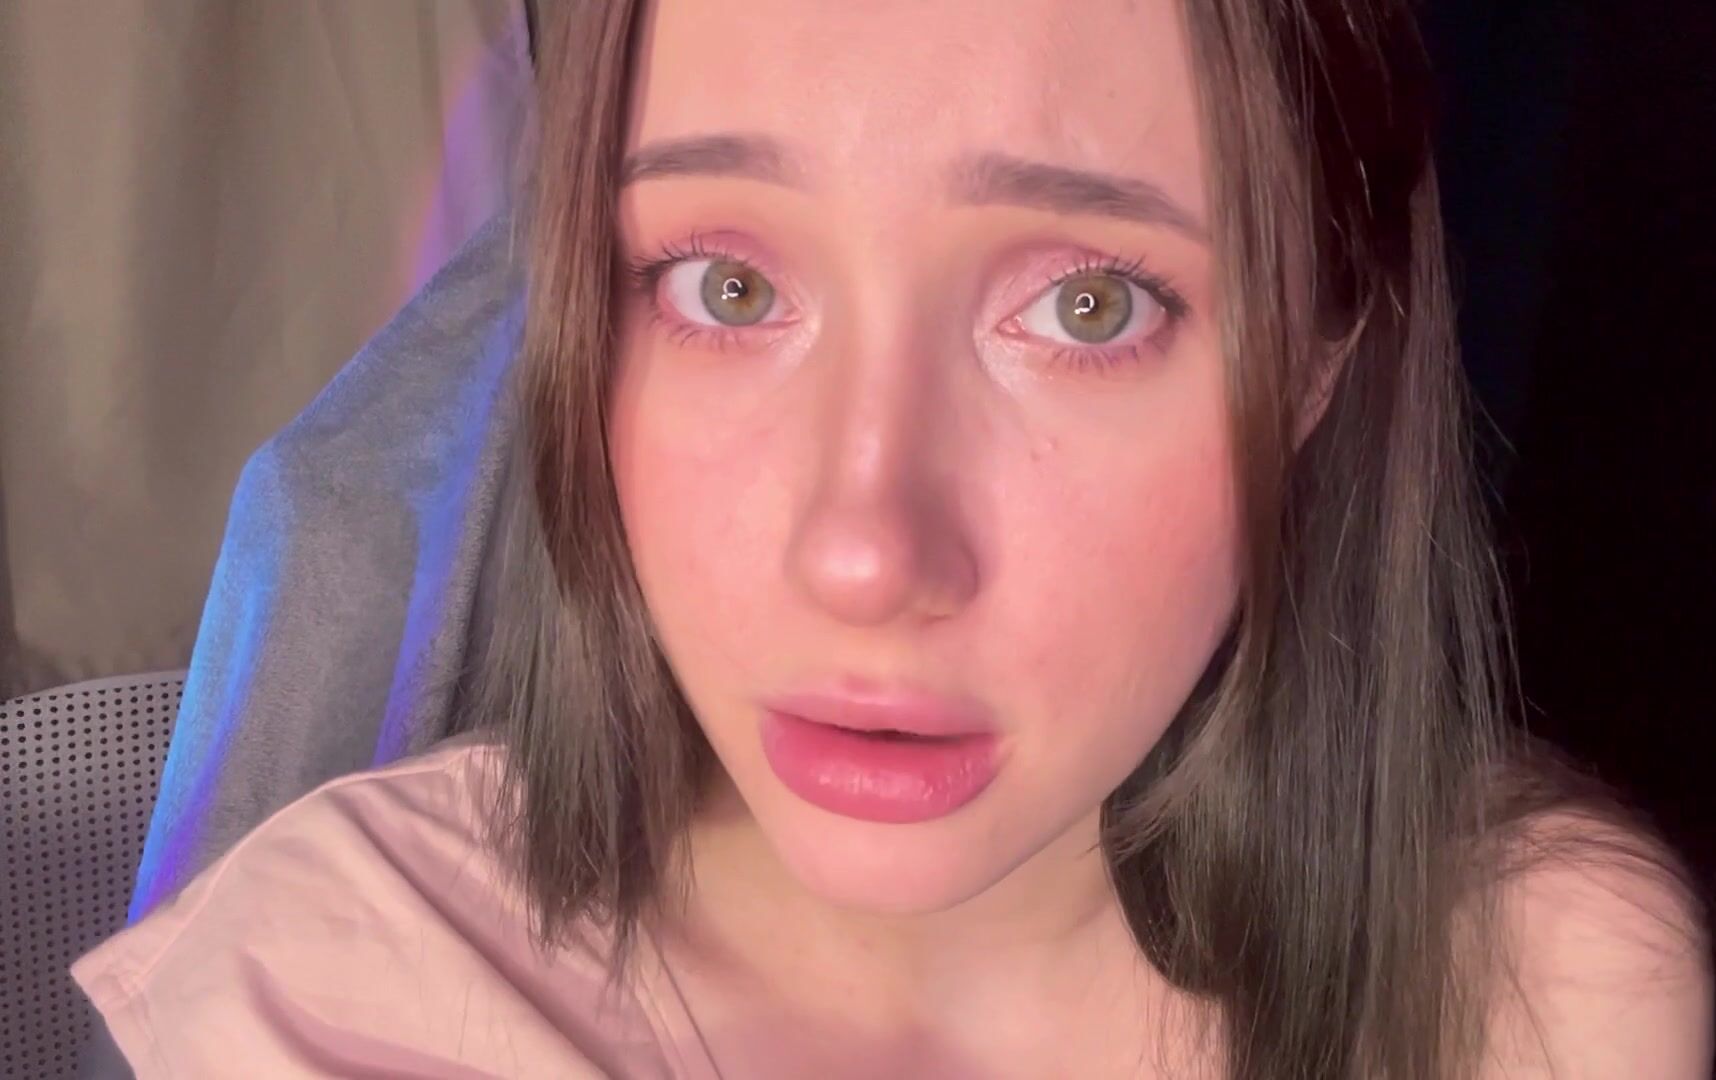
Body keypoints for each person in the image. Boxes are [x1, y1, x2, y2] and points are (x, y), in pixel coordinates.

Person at [71, 1, 1713, 1076]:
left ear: (1317, 369)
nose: (862, 555)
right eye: (726, 287)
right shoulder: (333, 998)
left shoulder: (1522, 990)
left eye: (1086, 306)